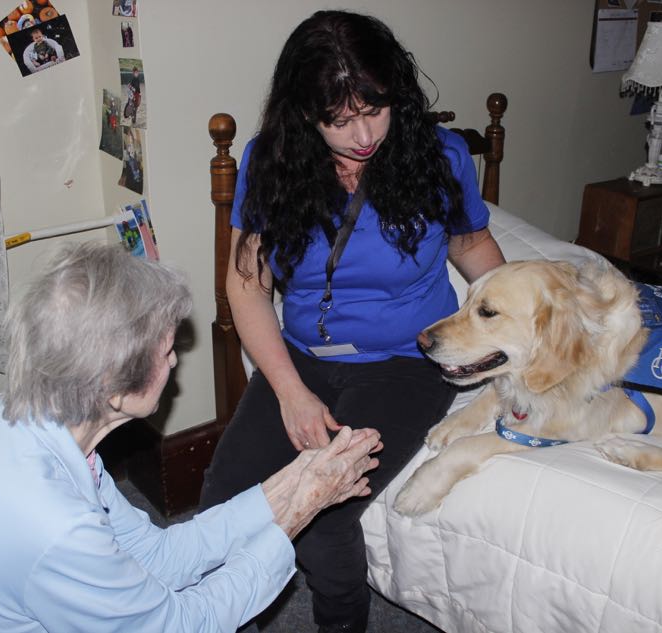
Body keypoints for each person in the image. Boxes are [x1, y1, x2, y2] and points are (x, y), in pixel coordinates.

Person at [0, 242, 383, 632]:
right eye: (166, 348)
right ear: (111, 385)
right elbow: (180, 626)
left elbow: (160, 555)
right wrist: (302, 510)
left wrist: (293, 481)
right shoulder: (52, 526)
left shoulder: (9, 419)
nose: (175, 358)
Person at [198, 10, 505, 633]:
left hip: (406, 361)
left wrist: (522, 320)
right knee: (220, 506)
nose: (363, 134)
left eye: (375, 110)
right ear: (304, 114)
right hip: (304, 356)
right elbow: (247, 287)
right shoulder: (270, 161)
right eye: (339, 121)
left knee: (323, 513)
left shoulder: (441, 156)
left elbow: (474, 251)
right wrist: (289, 392)